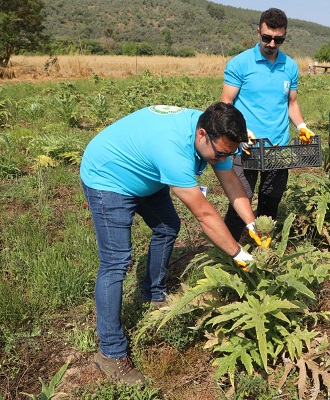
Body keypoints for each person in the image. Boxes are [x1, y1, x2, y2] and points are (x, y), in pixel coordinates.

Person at [80, 102, 263, 384]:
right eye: (222, 153)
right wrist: (240, 254)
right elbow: (203, 214)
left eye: (230, 152)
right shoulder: (172, 150)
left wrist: (252, 224)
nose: (224, 158)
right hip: (109, 177)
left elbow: (230, 181)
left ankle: (153, 293)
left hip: (145, 172)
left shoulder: (215, 134)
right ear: (202, 135)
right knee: (116, 262)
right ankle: (110, 353)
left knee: (167, 226)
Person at [221, 7, 315, 241]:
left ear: (284, 36)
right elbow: (226, 103)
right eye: (267, 38)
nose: (272, 44)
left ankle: (262, 246)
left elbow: (292, 103)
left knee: (271, 199)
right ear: (258, 32)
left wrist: (302, 125)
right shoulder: (240, 63)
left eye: (278, 39)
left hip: (278, 146)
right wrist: (241, 132)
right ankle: (228, 250)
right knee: (241, 198)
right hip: (247, 145)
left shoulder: (290, 66)